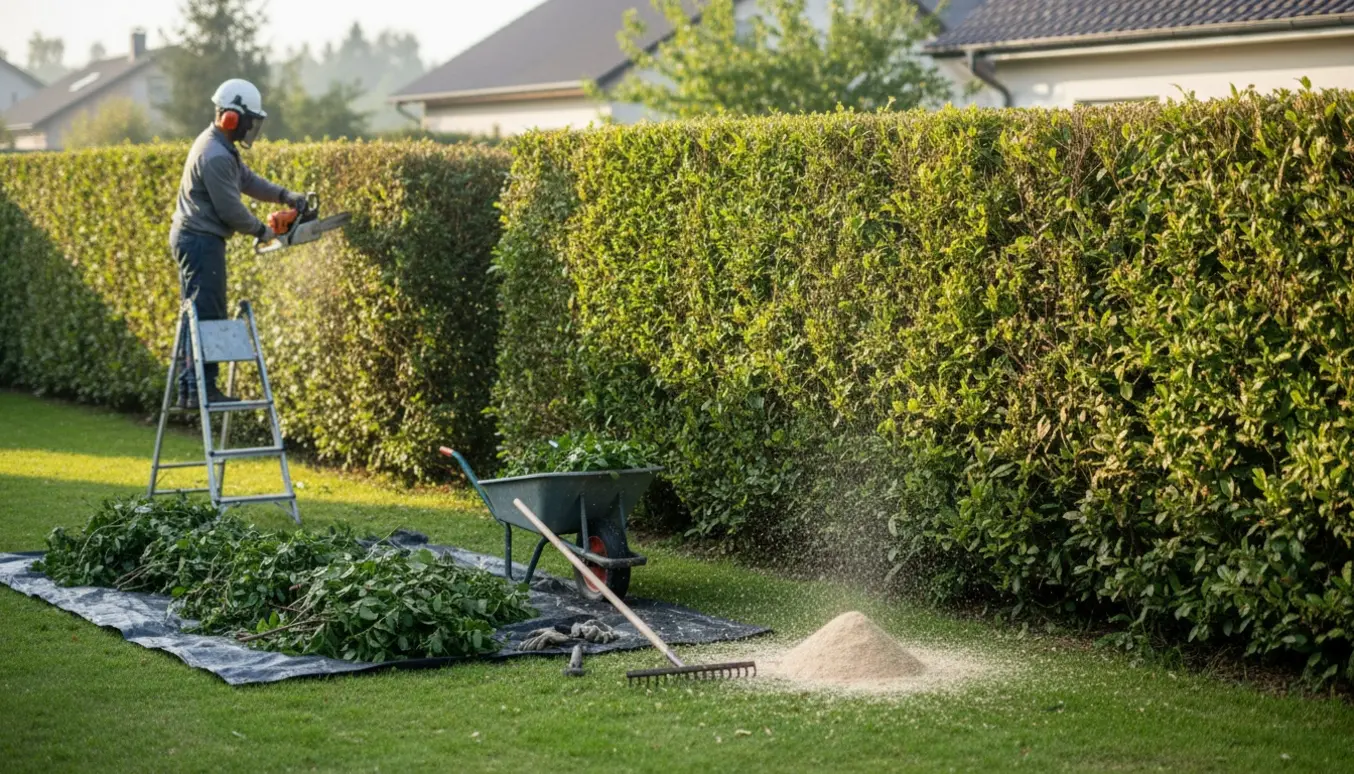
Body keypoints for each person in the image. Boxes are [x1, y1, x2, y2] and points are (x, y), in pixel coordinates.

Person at [169, 77, 307, 408]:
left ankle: (191, 388)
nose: (250, 128)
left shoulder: (220, 146)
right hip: (200, 241)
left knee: (197, 311)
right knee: (207, 312)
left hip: (197, 238)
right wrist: (265, 231)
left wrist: (284, 195)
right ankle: (204, 389)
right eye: (248, 121)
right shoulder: (215, 154)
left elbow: (246, 179)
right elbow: (230, 209)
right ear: (231, 117)